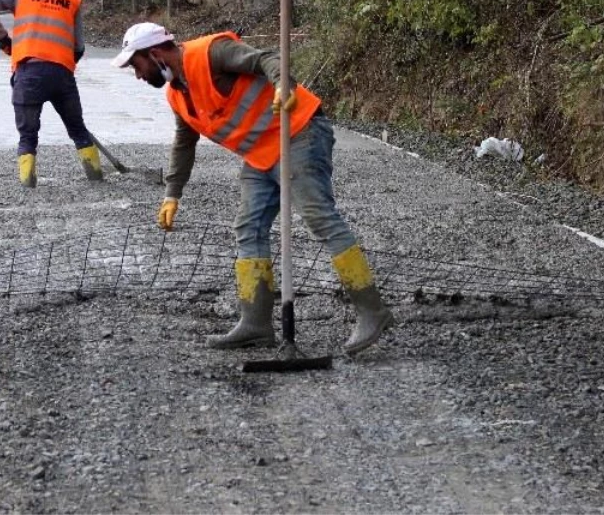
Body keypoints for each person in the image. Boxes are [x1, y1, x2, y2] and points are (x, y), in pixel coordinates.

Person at [111, 22, 393, 356]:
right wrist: (173, 192)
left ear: (155, 54)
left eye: (137, 65)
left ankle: (372, 310)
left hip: (298, 132)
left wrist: (282, 86)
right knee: (248, 227)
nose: (138, 75)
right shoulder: (178, 95)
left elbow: (267, 59)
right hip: (261, 153)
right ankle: (255, 324)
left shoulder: (211, 53)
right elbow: (184, 142)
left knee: (320, 219)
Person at [0, 0, 103, 187]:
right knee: (77, 129)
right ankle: (95, 176)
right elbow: (79, 47)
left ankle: (28, 182)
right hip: (62, 73)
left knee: (28, 134)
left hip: (29, 71)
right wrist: (63, 67)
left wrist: (5, 41)